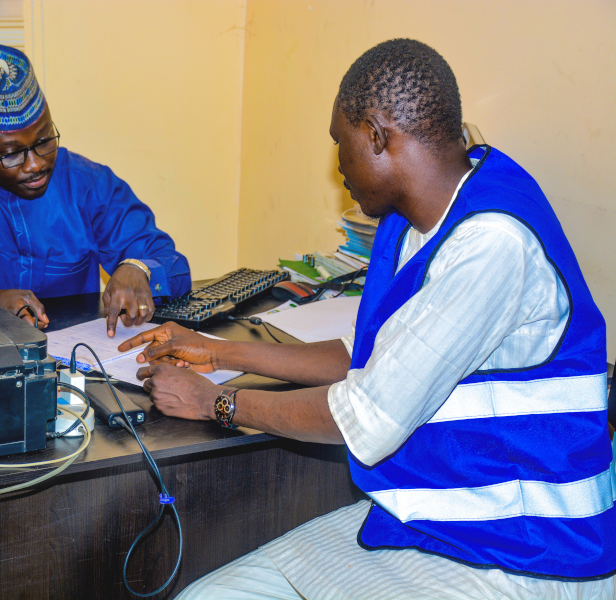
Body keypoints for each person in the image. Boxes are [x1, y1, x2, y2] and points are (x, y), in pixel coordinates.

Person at [120, 39, 616, 599]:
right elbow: (367, 353)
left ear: (377, 135)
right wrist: (218, 350)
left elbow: (366, 416)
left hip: (523, 551)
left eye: (341, 143)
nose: (337, 167)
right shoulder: (415, 218)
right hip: (433, 518)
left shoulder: (491, 245)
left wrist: (216, 402)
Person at [0, 40, 191, 335]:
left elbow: (173, 265)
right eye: (11, 153)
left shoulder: (88, 185)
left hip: (71, 360)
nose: (35, 164)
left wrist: (139, 269)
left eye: (44, 141)